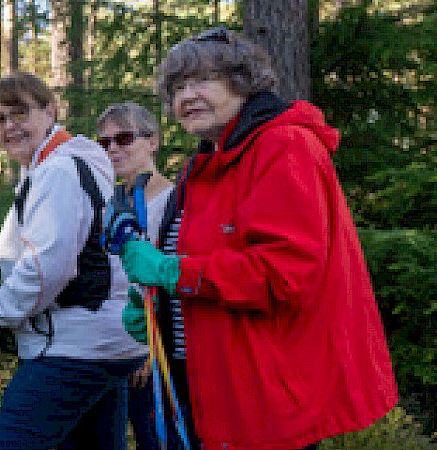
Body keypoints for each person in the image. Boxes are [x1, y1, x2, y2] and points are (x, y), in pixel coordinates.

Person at [118, 27, 397, 450]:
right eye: (177, 87)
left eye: (201, 80)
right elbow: (200, 264)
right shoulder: (205, 164)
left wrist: (174, 272)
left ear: (242, 82)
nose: (186, 95)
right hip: (201, 385)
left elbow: (283, 274)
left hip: (261, 395)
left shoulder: (284, 147)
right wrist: (157, 309)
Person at [0, 73, 148, 450]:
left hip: (72, 346)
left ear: (49, 111)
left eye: (19, 113)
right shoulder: (58, 166)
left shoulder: (58, 172)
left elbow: (46, 269)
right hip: (100, 340)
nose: (9, 126)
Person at [93, 102, 175, 450]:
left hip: (150, 349)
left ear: (153, 141)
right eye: (105, 142)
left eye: (124, 138)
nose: (113, 148)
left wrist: (151, 350)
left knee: (154, 439)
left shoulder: (175, 201)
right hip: (103, 347)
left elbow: (171, 278)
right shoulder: (106, 203)